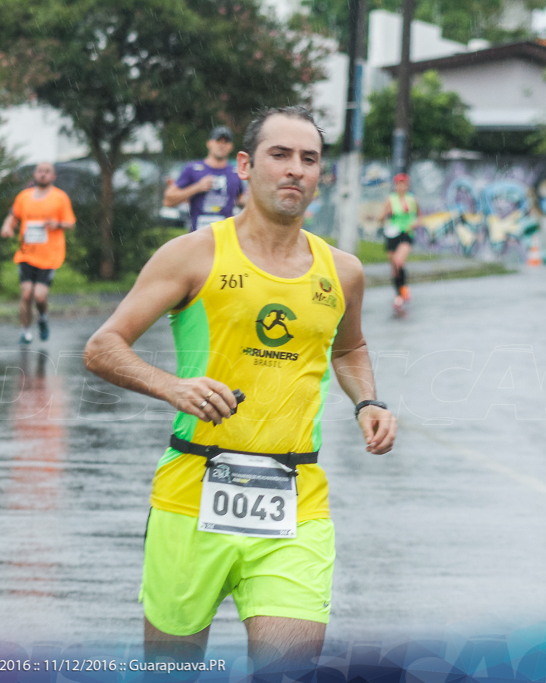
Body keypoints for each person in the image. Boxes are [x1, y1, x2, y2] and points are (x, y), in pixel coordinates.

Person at [84, 107, 396, 673]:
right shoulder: (193, 254)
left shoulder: (343, 271)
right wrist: (173, 387)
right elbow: (103, 347)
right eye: (281, 155)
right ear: (247, 166)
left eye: (309, 159)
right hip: (191, 492)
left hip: (294, 499)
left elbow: (349, 349)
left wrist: (368, 402)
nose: (296, 170)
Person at [0, 162, 76, 345]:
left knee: (39, 296)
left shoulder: (60, 198)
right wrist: (7, 227)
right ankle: (26, 332)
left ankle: (42, 317)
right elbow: (13, 214)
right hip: (26, 253)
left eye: (47, 172)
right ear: (34, 174)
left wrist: (56, 224)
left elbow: (70, 223)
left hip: (50, 255)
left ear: (53, 176)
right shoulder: (24, 197)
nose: (43, 174)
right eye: (40, 171)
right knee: (26, 293)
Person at [164, 126, 246, 232]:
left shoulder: (235, 172)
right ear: (209, 143)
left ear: (231, 146)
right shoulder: (192, 169)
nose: (222, 145)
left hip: (226, 237)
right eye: (218, 141)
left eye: (226, 142)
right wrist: (197, 187)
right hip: (198, 235)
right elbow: (168, 201)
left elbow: (242, 200)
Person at [378, 173, 420, 312]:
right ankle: (398, 294)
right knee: (394, 268)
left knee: (398, 261)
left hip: (406, 234)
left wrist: (415, 223)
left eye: (404, 184)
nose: (401, 187)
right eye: (398, 184)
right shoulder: (390, 199)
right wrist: (386, 215)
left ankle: (403, 289)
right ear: (395, 186)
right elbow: (381, 218)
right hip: (392, 234)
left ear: (407, 186)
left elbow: (420, 217)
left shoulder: (412, 199)